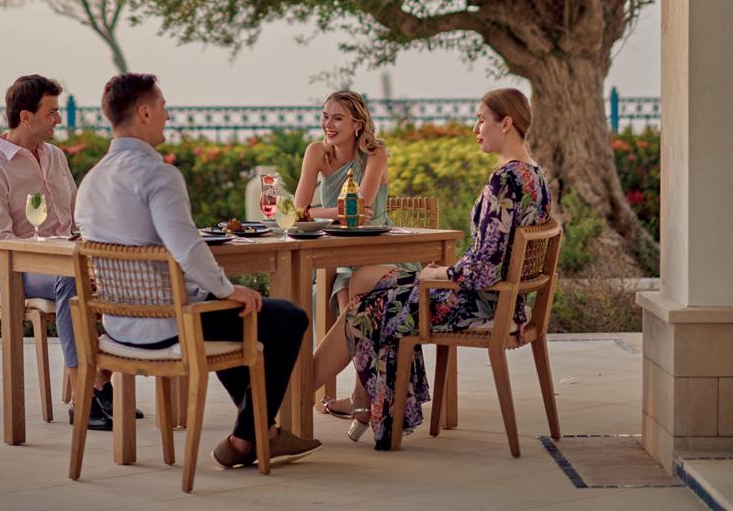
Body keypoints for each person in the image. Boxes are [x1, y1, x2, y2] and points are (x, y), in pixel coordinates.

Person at [74, 72, 321, 469]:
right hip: (170, 325)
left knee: (234, 314)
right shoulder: (158, 175)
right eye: (164, 107)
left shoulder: (91, 180)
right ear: (144, 112)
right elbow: (187, 249)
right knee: (288, 318)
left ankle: (263, 433)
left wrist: (222, 294)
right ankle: (248, 438)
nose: (168, 116)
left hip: (118, 328)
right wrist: (229, 289)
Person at [340, 87, 552, 449]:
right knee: (369, 282)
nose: (475, 128)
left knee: (364, 310)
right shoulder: (535, 176)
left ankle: (383, 414)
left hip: (478, 302)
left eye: (481, 119)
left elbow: (484, 270)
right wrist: (446, 271)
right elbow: (494, 257)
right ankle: (378, 409)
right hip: (500, 299)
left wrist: (439, 274)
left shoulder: (505, 181)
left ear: (506, 123)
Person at [0, 74, 124, 431]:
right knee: (71, 281)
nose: (59, 119)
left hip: (71, 259)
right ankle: (85, 397)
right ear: (26, 117)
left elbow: (78, 217)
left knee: (125, 276)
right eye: (51, 112)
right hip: (24, 272)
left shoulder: (55, 156)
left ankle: (102, 379)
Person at [292, 91, 393, 421]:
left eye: (337, 118)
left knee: (353, 297)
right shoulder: (316, 152)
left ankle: (347, 396)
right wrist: (335, 212)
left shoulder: (376, 153)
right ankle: (361, 400)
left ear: (357, 124)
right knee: (347, 292)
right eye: (325, 116)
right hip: (337, 255)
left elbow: (361, 211)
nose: (328, 124)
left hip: (379, 252)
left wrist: (319, 212)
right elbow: (298, 210)